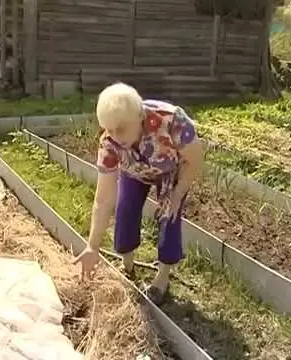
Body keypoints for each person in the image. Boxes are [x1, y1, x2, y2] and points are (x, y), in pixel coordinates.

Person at [73, 82, 203, 305]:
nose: (114, 136)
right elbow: (103, 200)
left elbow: (194, 159)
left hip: (170, 171)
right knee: (125, 210)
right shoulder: (110, 142)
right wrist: (92, 246)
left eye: (120, 129)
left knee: (169, 216)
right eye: (109, 129)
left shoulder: (173, 121)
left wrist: (178, 192)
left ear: (140, 116)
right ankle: (127, 263)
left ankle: (162, 277)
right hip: (134, 170)